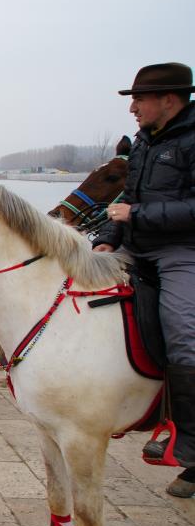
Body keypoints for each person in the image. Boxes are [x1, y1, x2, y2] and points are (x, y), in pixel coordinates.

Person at [93, 62, 195, 474]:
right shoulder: (143, 141)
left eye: (139, 99)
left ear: (168, 100)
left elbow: (137, 208)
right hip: (134, 245)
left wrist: (136, 217)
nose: (133, 107)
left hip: (179, 249)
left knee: (181, 325)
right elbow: (124, 204)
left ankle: (187, 436)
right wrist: (106, 240)